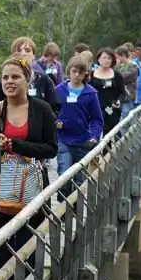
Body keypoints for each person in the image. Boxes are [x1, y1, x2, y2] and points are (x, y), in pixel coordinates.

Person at [0, 57, 57, 280]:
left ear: (28, 79)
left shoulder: (42, 109)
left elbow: (51, 148)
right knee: (2, 253)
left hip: (32, 191)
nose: (9, 82)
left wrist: (16, 144)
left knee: (30, 252)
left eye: (15, 76)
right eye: (5, 77)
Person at [55, 56, 103, 198]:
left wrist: (94, 136)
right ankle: (63, 201)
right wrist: (55, 122)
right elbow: (51, 112)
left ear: (85, 75)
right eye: (74, 71)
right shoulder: (59, 90)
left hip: (83, 141)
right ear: (69, 71)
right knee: (64, 172)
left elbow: (97, 119)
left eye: (80, 73)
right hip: (63, 139)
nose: (76, 75)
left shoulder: (91, 93)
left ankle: (74, 208)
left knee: (79, 178)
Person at [0, 37, 60, 114]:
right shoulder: (4, 82)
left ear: (33, 56)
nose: (23, 53)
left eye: (27, 50)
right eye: (19, 51)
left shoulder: (43, 79)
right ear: (13, 55)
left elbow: (55, 107)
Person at [89, 48, 125, 134]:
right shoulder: (91, 75)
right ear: (98, 59)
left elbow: (122, 92)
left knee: (112, 132)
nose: (106, 60)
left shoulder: (117, 75)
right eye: (104, 58)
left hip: (112, 109)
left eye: (109, 58)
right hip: (96, 108)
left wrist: (119, 101)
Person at [114, 46, 138, 121]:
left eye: (117, 57)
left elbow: (122, 77)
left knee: (126, 118)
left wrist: (116, 76)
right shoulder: (118, 66)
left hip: (127, 96)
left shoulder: (133, 66)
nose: (116, 59)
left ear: (123, 55)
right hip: (119, 97)